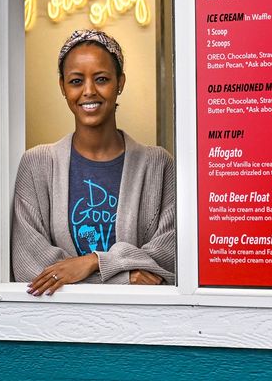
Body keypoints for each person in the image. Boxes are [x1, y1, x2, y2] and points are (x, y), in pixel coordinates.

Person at [12, 29, 176, 296]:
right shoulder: (36, 165)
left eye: (101, 79)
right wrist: (126, 278)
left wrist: (92, 262)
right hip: (59, 321)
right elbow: (30, 268)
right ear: (62, 86)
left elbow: (169, 258)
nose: (88, 91)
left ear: (120, 82)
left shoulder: (158, 165)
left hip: (140, 320)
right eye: (76, 81)